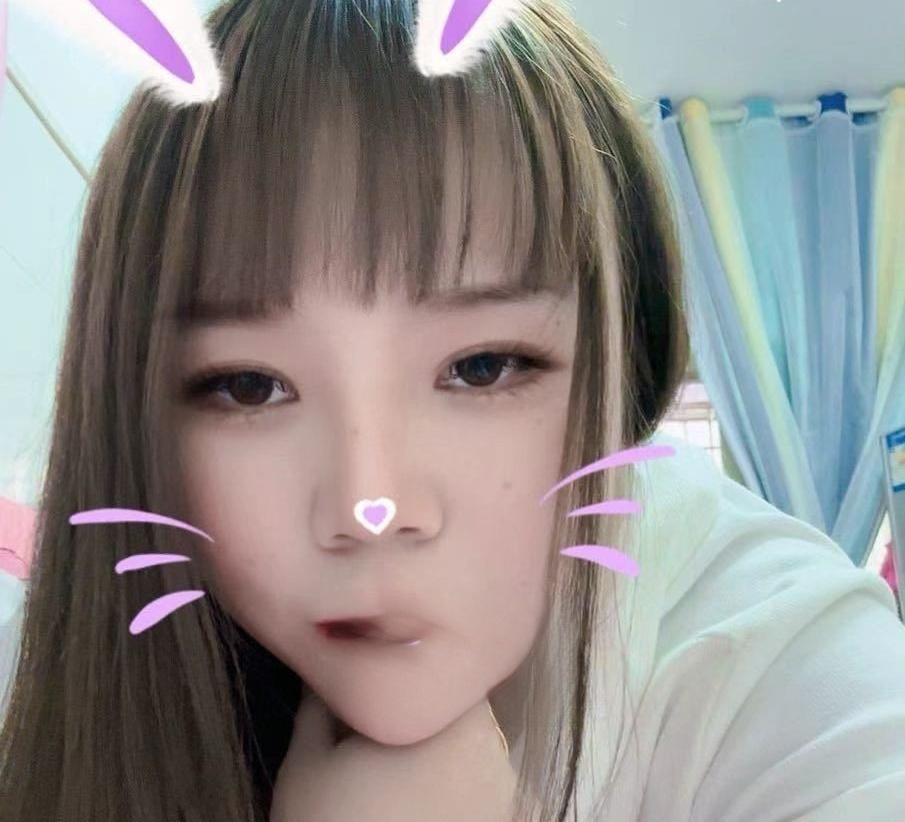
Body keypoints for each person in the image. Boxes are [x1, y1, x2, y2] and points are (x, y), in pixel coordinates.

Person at [1, 1, 905, 820]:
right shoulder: (55, 670)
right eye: (248, 385)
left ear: (617, 375)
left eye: (480, 368)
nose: (371, 509)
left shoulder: (774, 658)